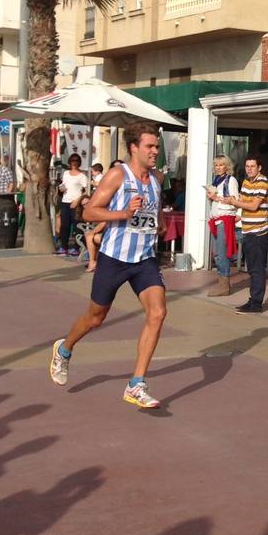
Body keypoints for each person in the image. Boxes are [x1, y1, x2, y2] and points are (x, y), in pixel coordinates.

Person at [49, 122, 168, 411]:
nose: (155, 151)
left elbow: (154, 214)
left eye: (156, 146)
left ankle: (136, 383)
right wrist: (124, 213)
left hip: (144, 259)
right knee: (95, 318)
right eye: (150, 146)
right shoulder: (118, 175)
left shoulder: (157, 178)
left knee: (158, 312)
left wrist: (158, 224)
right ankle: (64, 349)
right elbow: (89, 211)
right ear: (134, 148)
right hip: (114, 258)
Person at [221, 157, 268, 313]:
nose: (249, 169)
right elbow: (243, 204)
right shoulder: (246, 182)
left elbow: (254, 206)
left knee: (257, 269)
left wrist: (234, 203)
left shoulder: (262, 182)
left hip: (258, 232)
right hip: (248, 231)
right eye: (247, 166)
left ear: (259, 167)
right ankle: (253, 300)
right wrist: (227, 205)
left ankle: (256, 303)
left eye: (253, 166)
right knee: (252, 269)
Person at [204, 154, 240, 297]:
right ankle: (222, 284)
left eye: (221, 165)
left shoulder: (231, 180)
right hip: (217, 218)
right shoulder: (216, 181)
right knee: (217, 253)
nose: (218, 167)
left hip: (224, 219)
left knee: (221, 253)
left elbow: (234, 200)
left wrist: (215, 198)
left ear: (227, 166)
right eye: (216, 165)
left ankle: (224, 286)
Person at [56, 154, 89, 256]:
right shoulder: (65, 173)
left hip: (76, 203)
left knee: (77, 226)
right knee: (64, 226)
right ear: (69, 162)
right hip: (65, 201)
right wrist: (61, 188)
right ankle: (64, 247)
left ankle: (76, 247)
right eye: (72, 161)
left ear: (79, 163)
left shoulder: (82, 176)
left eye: (76, 161)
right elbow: (63, 184)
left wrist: (77, 200)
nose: (74, 163)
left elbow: (86, 190)